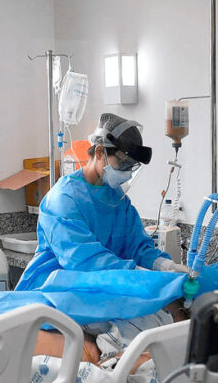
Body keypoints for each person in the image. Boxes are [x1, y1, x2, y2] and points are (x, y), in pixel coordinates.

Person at [16, 113, 188, 292]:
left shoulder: (117, 199)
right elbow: (84, 260)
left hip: (98, 289)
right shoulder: (63, 199)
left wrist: (165, 265)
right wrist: (137, 274)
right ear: (99, 152)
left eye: (131, 166)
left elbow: (136, 246)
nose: (127, 172)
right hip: (54, 292)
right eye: (122, 163)